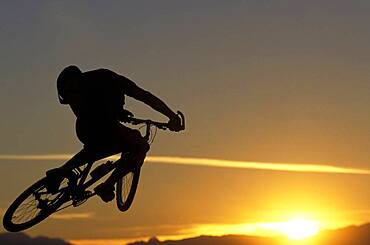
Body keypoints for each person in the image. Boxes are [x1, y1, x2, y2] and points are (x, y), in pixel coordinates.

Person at [47, 65, 183, 202]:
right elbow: (145, 97)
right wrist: (171, 116)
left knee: (94, 150)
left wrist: (118, 113)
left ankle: (60, 173)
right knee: (140, 145)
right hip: (103, 127)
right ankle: (107, 185)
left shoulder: (86, 83)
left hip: (84, 129)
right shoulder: (110, 80)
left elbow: (94, 106)